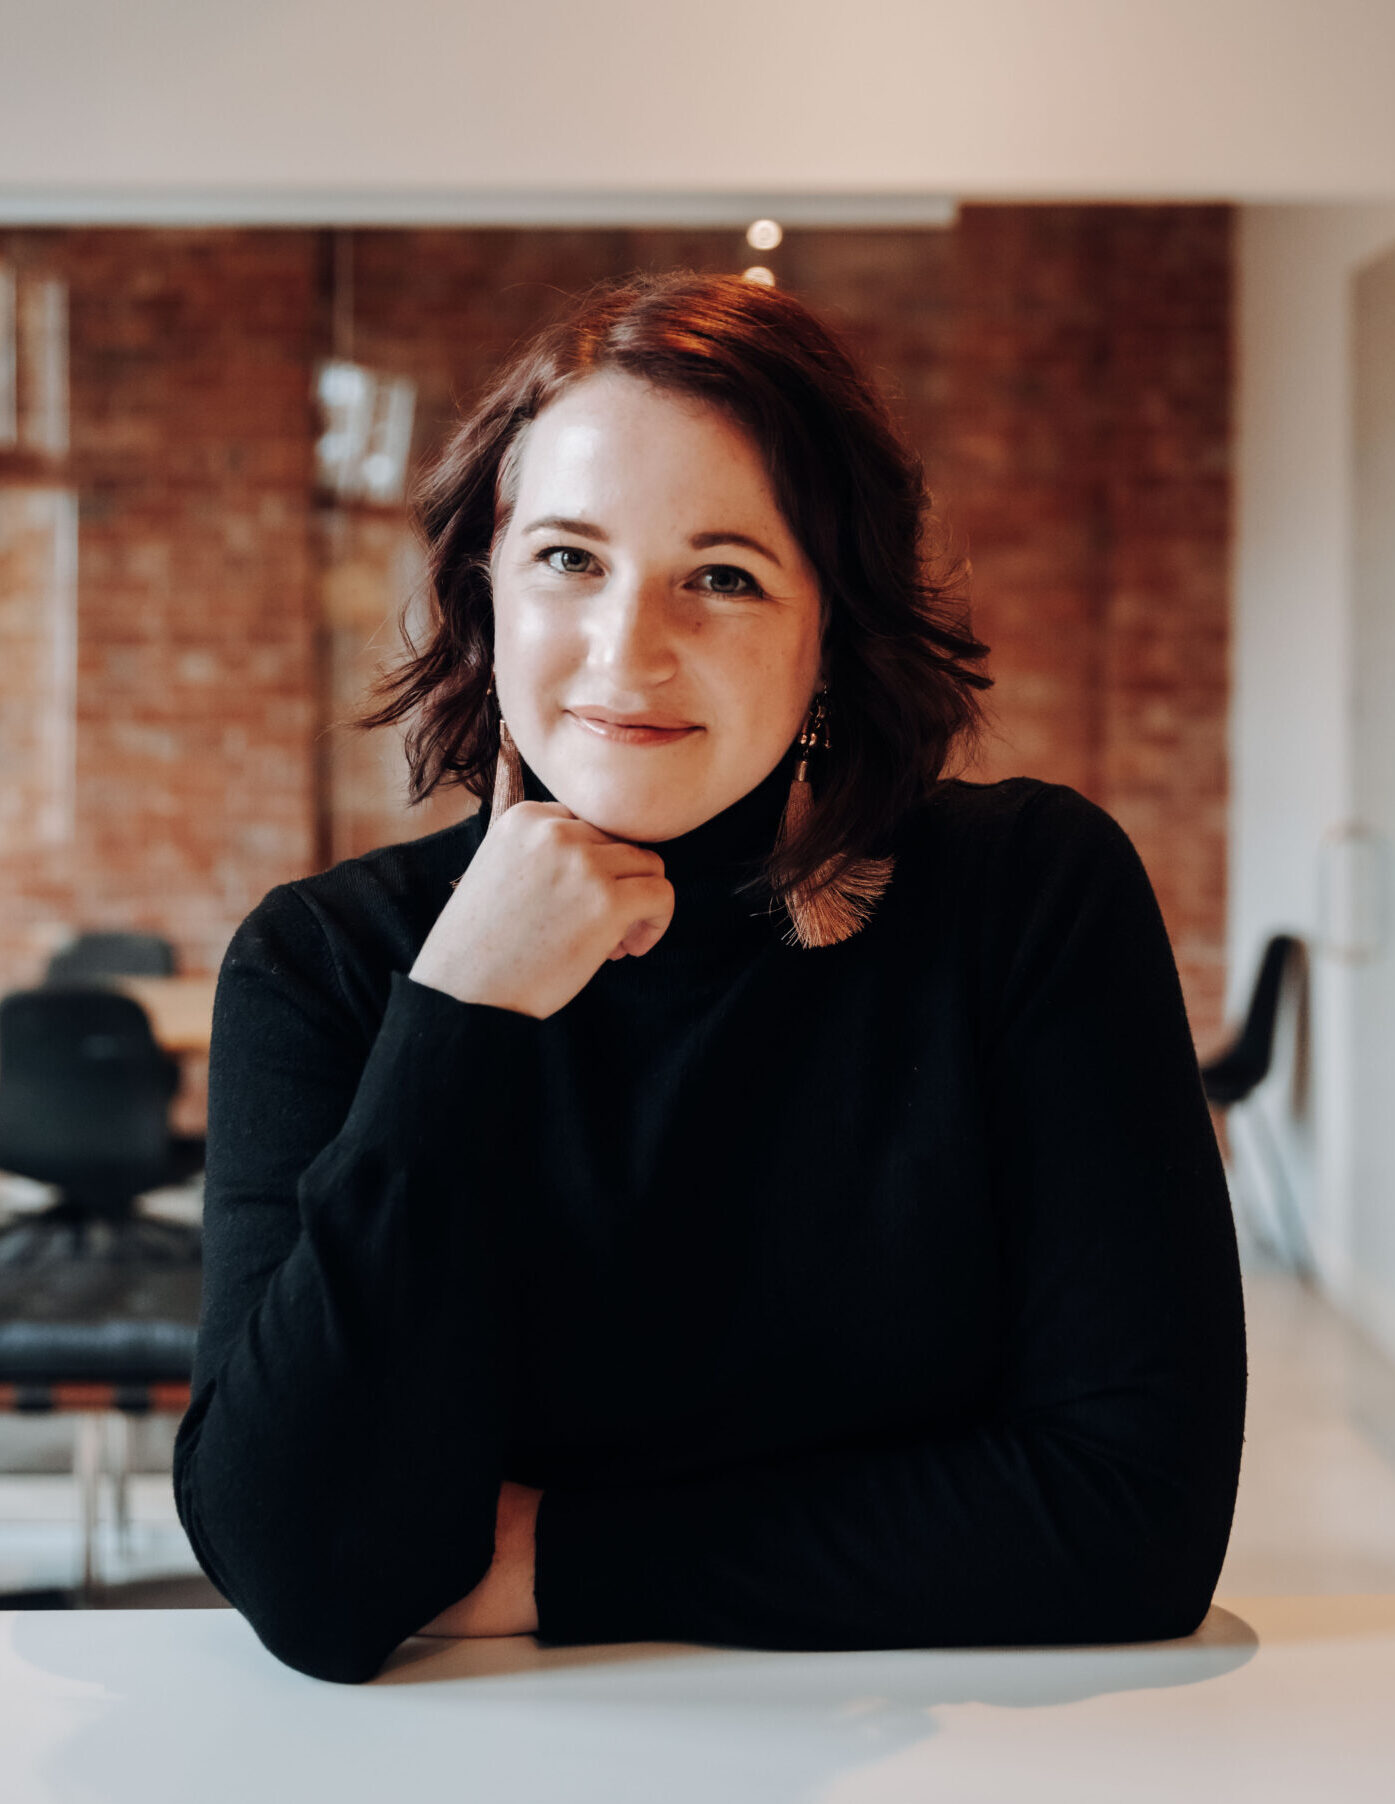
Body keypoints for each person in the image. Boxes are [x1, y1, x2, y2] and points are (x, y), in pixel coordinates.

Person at [172, 269, 1248, 1686]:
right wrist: (460, 1019)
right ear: (482, 590)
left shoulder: (1027, 898)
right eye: (568, 557)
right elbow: (307, 1579)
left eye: (724, 576)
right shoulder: (328, 963)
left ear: (829, 636)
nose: (629, 650)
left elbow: (1134, 1521)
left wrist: (557, 1558)